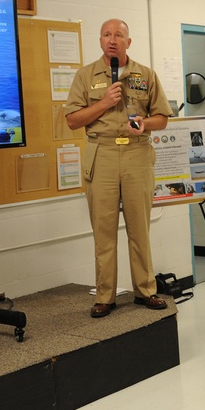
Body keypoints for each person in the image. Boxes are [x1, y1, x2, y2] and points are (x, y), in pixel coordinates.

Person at [65, 18, 171, 317]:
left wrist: (144, 124)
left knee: (140, 228)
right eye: (106, 34)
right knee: (104, 230)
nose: (112, 39)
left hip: (137, 153)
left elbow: (162, 117)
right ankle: (104, 297)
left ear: (128, 41)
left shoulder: (145, 75)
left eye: (118, 35)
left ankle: (145, 290)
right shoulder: (86, 76)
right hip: (103, 153)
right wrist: (103, 103)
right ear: (100, 41)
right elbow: (73, 120)